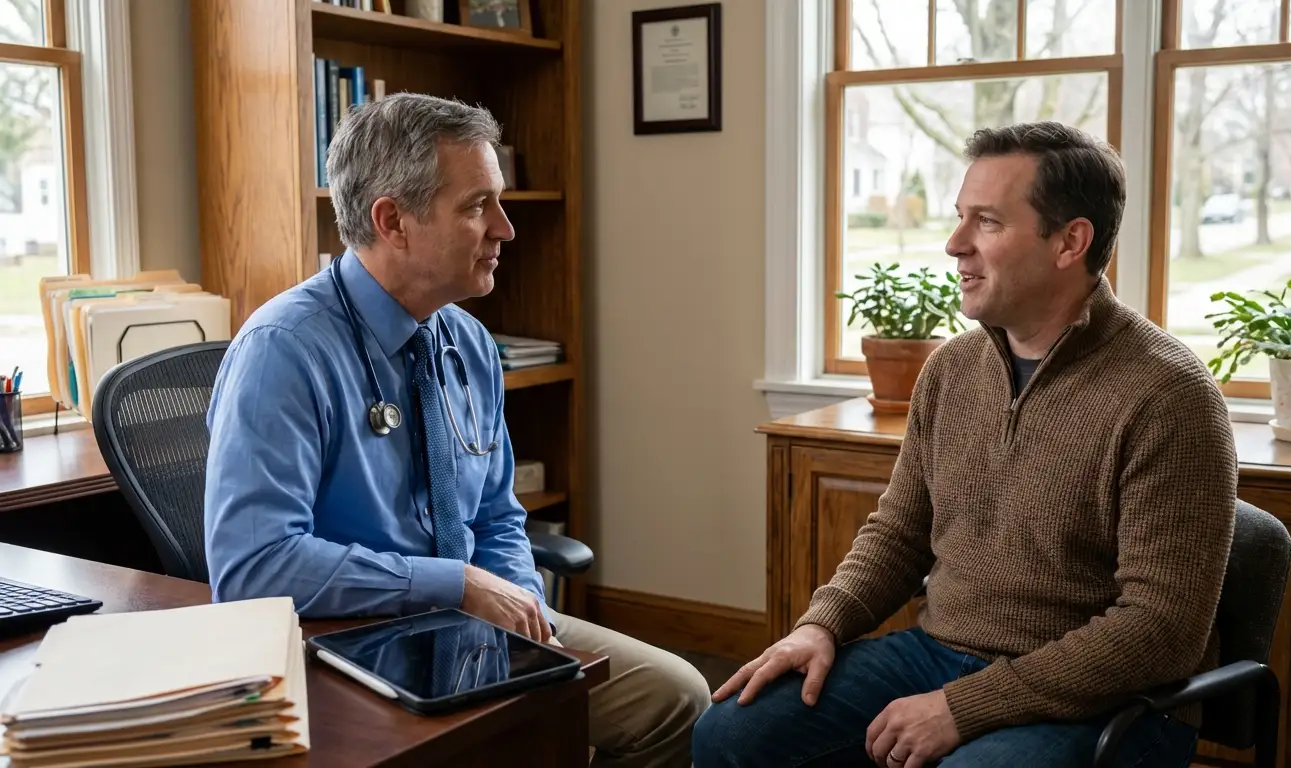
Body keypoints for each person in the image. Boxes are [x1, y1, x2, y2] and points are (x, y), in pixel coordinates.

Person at [692, 121, 1238, 767]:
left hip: (1108, 695)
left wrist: (967, 706)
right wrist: (822, 623)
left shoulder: (1169, 394)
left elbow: (1161, 631)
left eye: (987, 223)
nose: (954, 245)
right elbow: (899, 531)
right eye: (960, 218)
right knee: (729, 732)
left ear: (1071, 241)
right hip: (936, 653)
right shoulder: (952, 368)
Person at [203, 92, 709, 767]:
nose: (505, 229)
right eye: (477, 206)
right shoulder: (285, 351)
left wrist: (523, 613)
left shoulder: (467, 341)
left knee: (679, 698)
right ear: (393, 221)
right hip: (347, 644)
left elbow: (497, 516)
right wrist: (456, 584)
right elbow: (253, 566)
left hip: (468, 627)